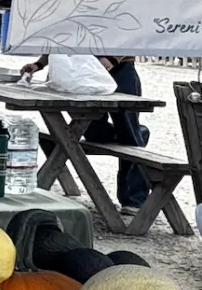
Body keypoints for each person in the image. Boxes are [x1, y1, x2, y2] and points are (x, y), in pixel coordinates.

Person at [19, 54, 150, 210]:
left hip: (119, 68)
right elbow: (60, 37)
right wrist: (39, 64)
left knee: (128, 133)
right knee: (92, 131)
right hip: (80, 67)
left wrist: (113, 59)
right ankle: (141, 132)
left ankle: (133, 199)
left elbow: (132, 34)